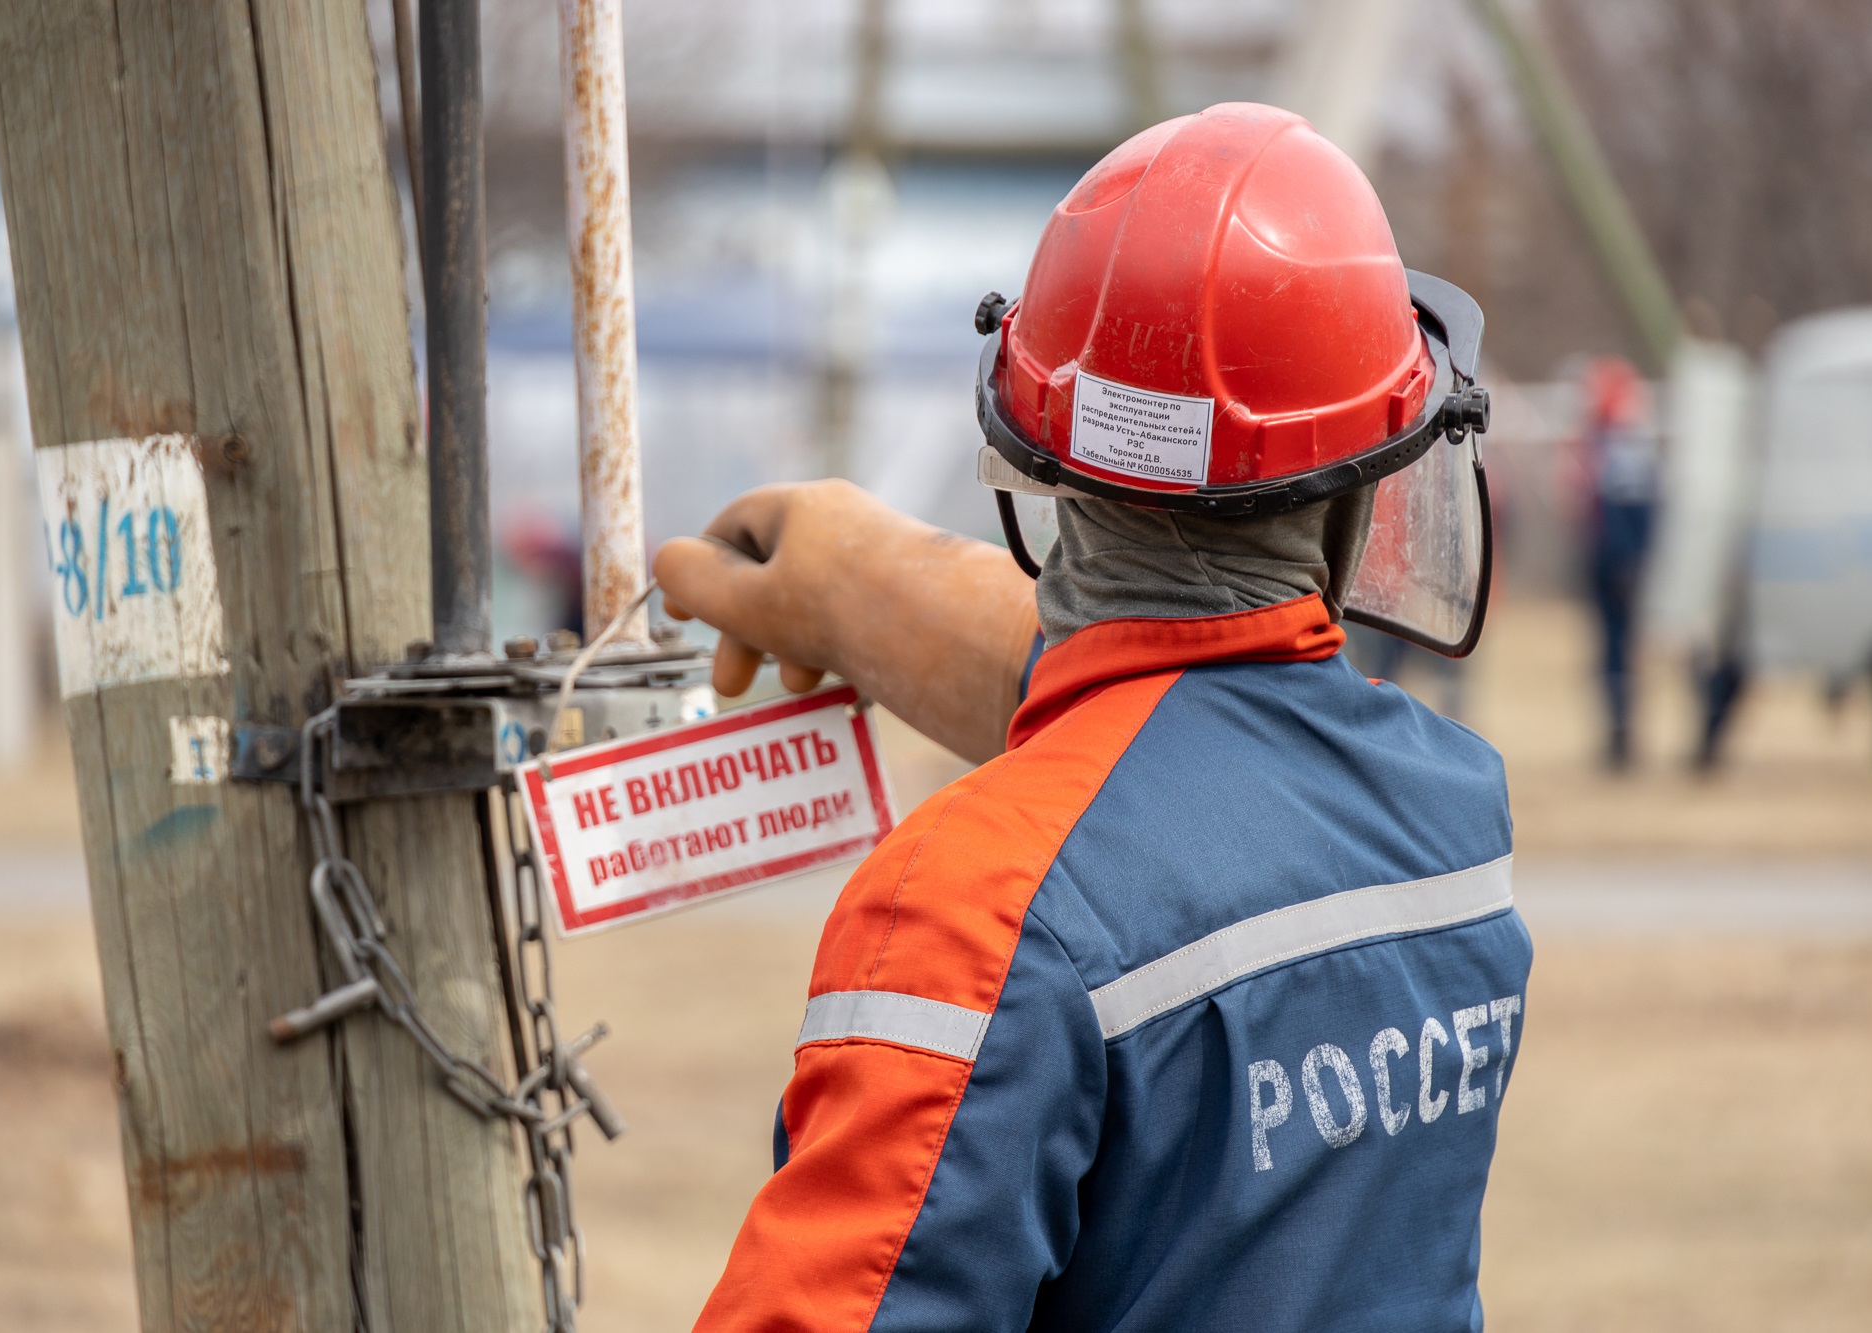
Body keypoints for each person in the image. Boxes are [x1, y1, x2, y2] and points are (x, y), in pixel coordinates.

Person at [657, 103, 1530, 1332]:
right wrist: (864, 586)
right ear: (1355, 489)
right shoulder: (1449, 816)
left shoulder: (973, 909)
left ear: (1035, 450)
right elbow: (1186, 740)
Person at [1571, 356, 1661, 770]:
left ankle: (1623, 736)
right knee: (1613, 653)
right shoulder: (1614, 443)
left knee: (1618, 653)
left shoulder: (1623, 447)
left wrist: (1628, 562)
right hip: (1611, 566)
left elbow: (1633, 512)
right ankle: (1618, 732)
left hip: (1617, 568)